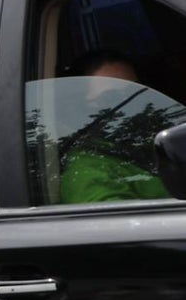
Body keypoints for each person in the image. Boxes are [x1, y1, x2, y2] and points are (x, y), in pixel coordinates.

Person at [60, 50, 171, 204]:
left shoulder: (154, 143)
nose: (130, 102)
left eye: (135, 91)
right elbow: (115, 225)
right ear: (82, 107)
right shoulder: (87, 168)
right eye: (111, 97)